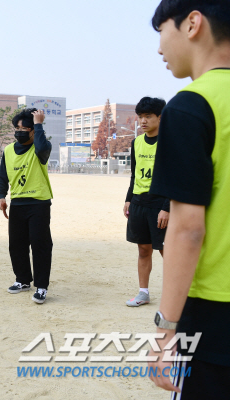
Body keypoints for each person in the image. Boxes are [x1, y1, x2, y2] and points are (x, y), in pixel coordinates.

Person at [146, 1, 230, 397]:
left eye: (161, 30)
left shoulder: (191, 106)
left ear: (193, 23)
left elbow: (187, 230)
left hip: (215, 312)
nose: (159, 47)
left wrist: (166, 332)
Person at [0, 108, 53, 304]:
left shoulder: (41, 146)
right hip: (18, 203)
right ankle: (22, 280)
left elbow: (42, 149)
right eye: (17, 128)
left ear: (33, 131)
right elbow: (2, 175)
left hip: (39, 203)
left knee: (40, 245)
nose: (19, 132)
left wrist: (39, 124)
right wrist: (1, 196)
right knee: (17, 245)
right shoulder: (8, 150)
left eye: (24, 128)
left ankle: (41, 287)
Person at [123, 97, 169, 307]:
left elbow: (175, 177)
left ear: (160, 117)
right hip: (139, 203)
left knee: (167, 251)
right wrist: (128, 199)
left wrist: (167, 207)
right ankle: (143, 293)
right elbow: (135, 174)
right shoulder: (136, 142)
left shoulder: (170, 142)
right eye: (141, 116)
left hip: (160, 204)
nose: (143, 121)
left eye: (148, 116)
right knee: (143, 249)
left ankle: (179, 295)